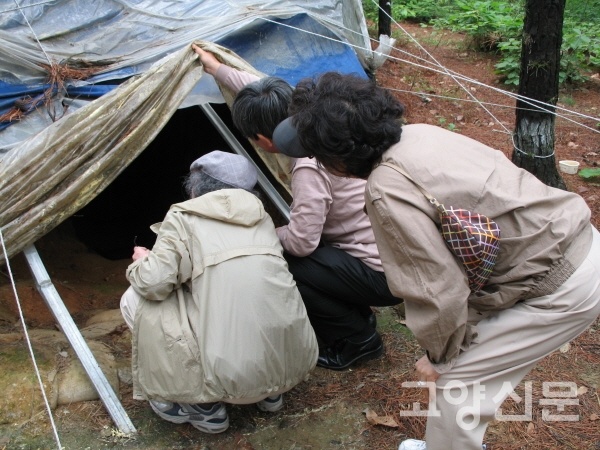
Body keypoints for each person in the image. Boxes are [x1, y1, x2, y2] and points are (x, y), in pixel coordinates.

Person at [277, 71, 600, 450]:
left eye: (318, 155)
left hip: (560, 285)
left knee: (458, 388)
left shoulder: (387, 187)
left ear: (339, 155)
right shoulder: (423, 134)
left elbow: (436, 289)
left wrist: (440, 358)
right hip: (579, 244)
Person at [191, 44, 403, 371]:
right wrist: (217, 68)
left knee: (285, 263)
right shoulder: (318, 124)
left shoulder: (308, 167)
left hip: (382, 273)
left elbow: (303, 242)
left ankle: (359, 340)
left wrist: (262, 233)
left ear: (264, 139)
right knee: (310, 257)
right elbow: (268, 93)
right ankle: (356, 317)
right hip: (395, 254)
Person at [119, 150, 318, 434]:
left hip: (229, 380)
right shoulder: (261, 217)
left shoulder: (183, 217)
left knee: (134, 299)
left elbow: (153, 283)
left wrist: (142, 261)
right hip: (291, 367)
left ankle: (203, 407)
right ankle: (270, 395)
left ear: (196, 185)